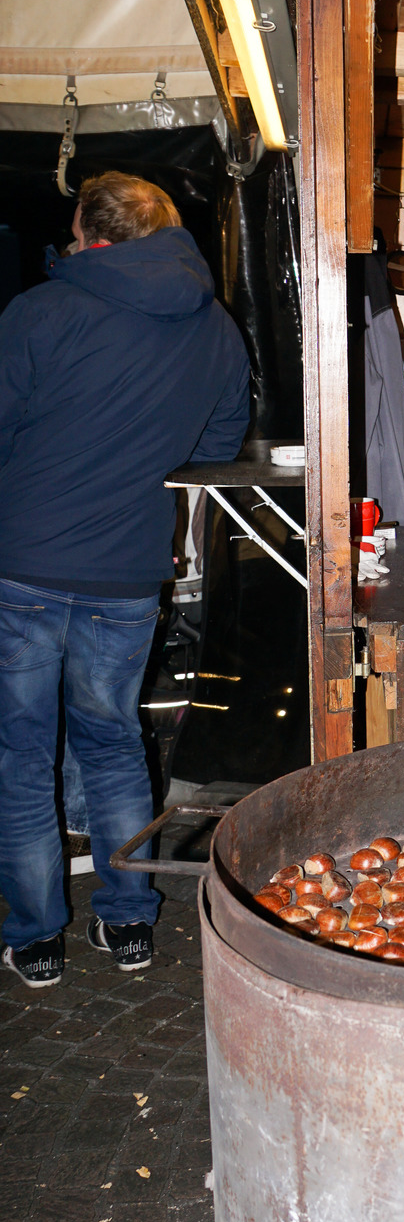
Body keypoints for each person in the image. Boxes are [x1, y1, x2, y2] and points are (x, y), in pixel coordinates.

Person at [0, 172, 250, 989]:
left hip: (23, 569)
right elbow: (218, 441)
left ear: (85, 228)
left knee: (22, 757)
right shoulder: (214, 328)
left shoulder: (41, 311)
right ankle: (130, 922)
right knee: (114, 747)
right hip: (128, 574)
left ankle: (37, 938)